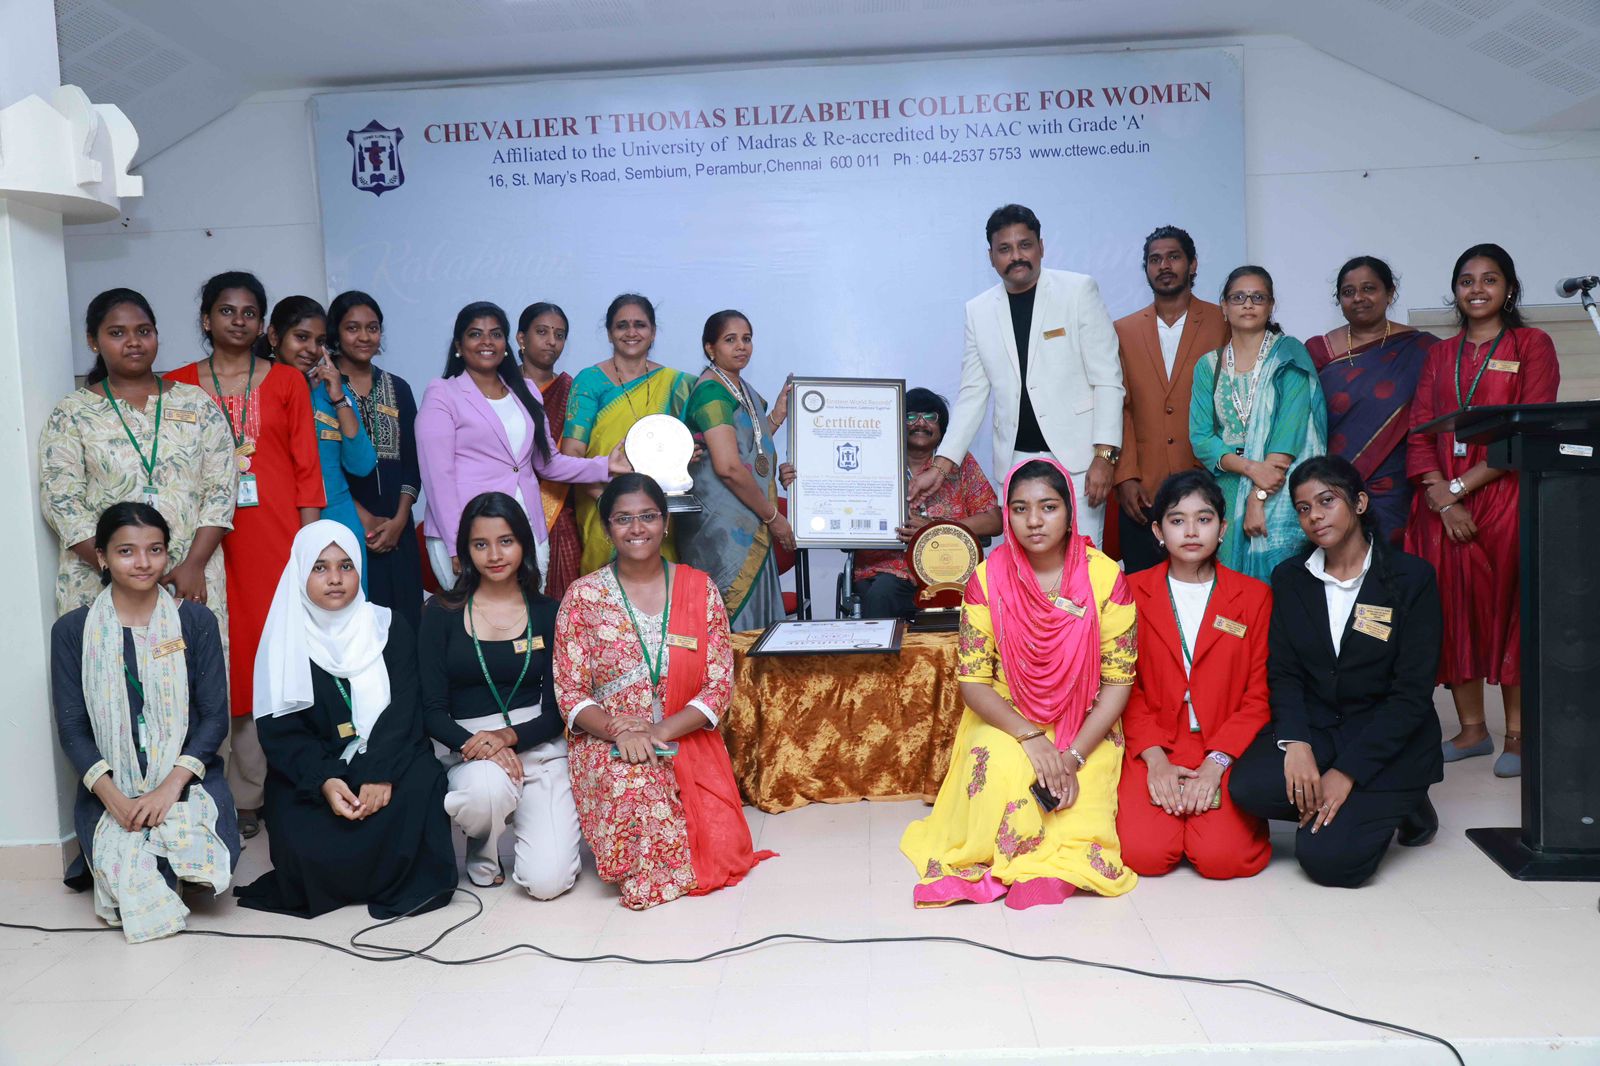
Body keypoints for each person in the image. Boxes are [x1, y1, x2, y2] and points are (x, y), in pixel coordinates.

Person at [899, 458, 1138, 909]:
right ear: (1006, 515)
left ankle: (1052, 865)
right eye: (1020, 509)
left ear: (1069, 511)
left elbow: (1118, 681)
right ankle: (999, 859)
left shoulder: (1105, 576)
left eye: (1048, 507)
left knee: (1078, 790)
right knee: (1001, 764)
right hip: (1007, 716)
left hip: (1086, 720)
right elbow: (974, 682)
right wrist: (1030, 737)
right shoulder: (987, 579)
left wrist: (1071, 755)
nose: (1033, 521)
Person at [554, 473, 774, 909]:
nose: (637, 529)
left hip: (681, 733)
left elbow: (717, 687)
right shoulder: (582, 597)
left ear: (666, 522)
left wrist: (658, 731)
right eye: (623, 519)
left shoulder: (699, 589)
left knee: (718, 842)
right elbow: (570, 691)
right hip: (609, 739)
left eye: (648, 516)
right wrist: (622, 734)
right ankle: (648, 872)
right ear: (606, 527)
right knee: (635, 783)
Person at [1229, 457, 1443, 887]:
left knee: (1328, 862)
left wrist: (1346, 774)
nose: (1315, 516)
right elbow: (1285, 672)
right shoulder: (1291, 578)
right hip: (1323, 729)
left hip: (1388, 739)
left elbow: (1411, 694)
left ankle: (1405, 800)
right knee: (1249, 786)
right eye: (1304, 508)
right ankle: (1355, 804)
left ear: (1360, 502)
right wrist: (1297, 744)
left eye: (1327, 501)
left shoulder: (1410, 578)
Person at [168, 271, 325, 839]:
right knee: (215, 654)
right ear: (206, 318)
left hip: (274, 538)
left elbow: (307, 468)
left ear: (263, 323)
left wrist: (309, 551)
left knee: (267, 656)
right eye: (227, 311)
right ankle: (216, 785)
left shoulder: (286, 381)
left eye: (250, 312)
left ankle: (262, 788)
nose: (239, 321)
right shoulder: (178, 384)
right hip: (204, 543)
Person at [235, 521, 455, 919]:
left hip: (390, 756)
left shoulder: (390, 626)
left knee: (422, 787)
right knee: (301, 841)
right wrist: (327, 780)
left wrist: (379, 774)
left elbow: (405, 708)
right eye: (320, 568)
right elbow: (281, 734)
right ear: (300, 573)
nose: (335, 579)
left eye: (346, 566)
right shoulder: (283, 641)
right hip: (318, 770)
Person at [50, 503, 239, 942]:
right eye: (126, 551)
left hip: (186, 778)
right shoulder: (73, 632)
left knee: (199, 861)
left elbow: (214, 718)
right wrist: (113, 797)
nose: (143, 563)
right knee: (136, 869)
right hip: (109, 785)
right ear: (102, 557)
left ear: (167, 554)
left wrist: (169, 787)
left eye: (155, 550)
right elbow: (73, 728)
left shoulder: (194, 621)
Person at [1405, 244, 1560, 778]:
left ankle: (1516, 736)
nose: (1477, 289)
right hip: (1439, 509)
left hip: (1506, 498)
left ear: (1509, 288)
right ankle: (1472, 730)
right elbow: (1420, 428)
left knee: (1513, 610)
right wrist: (1438, 494)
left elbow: (1528, 428)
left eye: (1489, 279)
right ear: (1455, 291)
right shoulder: (1439, 356)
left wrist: (1458, 488)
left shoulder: (1532, 344)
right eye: (1466, 280)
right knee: (1452, 613)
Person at [909, 204, 1123, 546]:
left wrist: (1104, 456)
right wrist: (940, 466)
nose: (1016, 256)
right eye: (1005, 249)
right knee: (1023, 569)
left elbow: (1109, 379)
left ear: (1041, 246)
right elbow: (972, 396)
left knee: (1080, 564)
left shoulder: (1078, 290)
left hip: (1079, 459)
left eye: (1024, 245)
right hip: (1014, 461)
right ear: (991, 256)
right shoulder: (978, 311)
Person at [40, 289, 235, 625]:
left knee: (192, 671)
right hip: (102, 584)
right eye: (117, 333)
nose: (133, 342)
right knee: (114, 674)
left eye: (144, 331)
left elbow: (221, 489)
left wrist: (193, 564)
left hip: (187, 578)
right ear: (93, 341)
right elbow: (63, 502)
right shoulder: (72, 413)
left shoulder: (196, 403)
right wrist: (118, 569)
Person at [419, 492, 580, 897]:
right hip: (467, 747)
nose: (494, 554)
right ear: (465, 551)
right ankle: (483, 846)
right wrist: (483, 746)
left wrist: (509, 738)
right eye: (480, 544)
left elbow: (561, 707)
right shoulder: (441, 613)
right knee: (484, 791)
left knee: (549, 882)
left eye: (505, 541)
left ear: (524, 543)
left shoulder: (550, 612)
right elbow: (432, 710)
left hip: (539, 744)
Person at [1116, 471, 1271, 879]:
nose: (1190, 531)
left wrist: (1217, 763)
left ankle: (1202, 821)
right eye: (1176, 519)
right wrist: (1155, 760)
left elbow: (1259, 696)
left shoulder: (1254, 597)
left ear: (1222, 528)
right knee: (1143, 855)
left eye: (1203, 519)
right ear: (1157, 530)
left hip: (1224, 739)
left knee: (1224, 860)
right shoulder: (1129, 593)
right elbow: (1121, 688)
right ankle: (1173, 818)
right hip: (1154, 738)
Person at [417, 301, 627, 592]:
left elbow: (547, 463)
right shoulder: (443, 394)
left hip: (526, 525)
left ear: (506, 342)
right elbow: (437, 477)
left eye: (495, 334)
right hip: (471, 529)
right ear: (458, 344)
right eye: (476, 334)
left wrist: (604, 465)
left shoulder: (525, 391)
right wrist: (456, 544)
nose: (487, 342)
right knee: (475, 622)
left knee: (526, 618)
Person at [782, 387, 1001, 618]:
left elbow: (995, 520)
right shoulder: (871, 462)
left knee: (981, 591)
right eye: (910, 416)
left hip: (948, 570)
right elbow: (829, 493)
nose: (920, 423)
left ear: (943, 427)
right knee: (882, 593)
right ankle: (882, 656)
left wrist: (936, 528)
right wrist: (799, 482)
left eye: (930, 417)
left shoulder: (958, 464)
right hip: (886, 571)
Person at [1190, 266, 1328, 581]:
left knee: (1280, 578)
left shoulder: (1288, 357)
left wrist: (1259, 496)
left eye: (1257, 297)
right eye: (1238, 297)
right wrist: (1250, 469)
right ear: (1224, 307)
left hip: (1281, 485)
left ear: (1270, 306)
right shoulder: (1207, 366)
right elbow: (1201, 438)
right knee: (1229, 582)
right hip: (1227, 485)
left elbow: (1288, 432)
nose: (1248, 304)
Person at [1113, 225, 1230, 572]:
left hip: (1209, 481)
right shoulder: (1123, 330)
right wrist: (1125, 477)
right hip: (1142, 492)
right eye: (1155, 259)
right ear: (1146, 269)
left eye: (1174, 257)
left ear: (1193, 265)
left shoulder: (1223, 321)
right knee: (1142, 592)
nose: (1164, 265)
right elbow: (1120, 409)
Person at [1306, 257, 1437, 547]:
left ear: (1389, 293)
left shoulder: (1424, 348)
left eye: (1369, 288)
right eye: (1348, 291)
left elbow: (1438, 420)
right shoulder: (1318, 351)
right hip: (1332, 483)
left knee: (1392, 567)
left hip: (1397, 484)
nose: (1358, 298)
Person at [561, 294, 696, 574]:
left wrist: (689, 452)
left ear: (653, 331)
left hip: (657, 510)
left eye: (640, 325)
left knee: (659, 592)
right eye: (622, 326)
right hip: (601, 506)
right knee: (604, 601)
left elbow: (709, 435)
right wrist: (609, 507)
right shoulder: (589, 380)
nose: (631, 332)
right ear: (610, 333)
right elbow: (572, 455)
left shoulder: (678, 384)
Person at [677, 310, 794, 631]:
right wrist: (774, 518)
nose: (741, 346)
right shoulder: (711, 392)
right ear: (710, 348)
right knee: (731, 628)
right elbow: (728, 466)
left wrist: (778, 416)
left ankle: (757, 683)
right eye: (730, 340)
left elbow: (750, 444)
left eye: (747, 338)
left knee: (756, 628)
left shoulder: (738, 387)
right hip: (722, 530)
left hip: (747, 518)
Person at [333, 291, 425, 627]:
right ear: (336, 333)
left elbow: (413, 463)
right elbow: (323, 467)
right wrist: (364, 521)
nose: (364, 337)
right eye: (353, 328)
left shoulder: (398, 387)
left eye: (372, 328)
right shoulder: (322, 388)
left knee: (405, 624)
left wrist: (401, 520)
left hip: (397, 531)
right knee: (356, 623)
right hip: (345, 525)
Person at [268, 296, 377, 583]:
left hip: (338, 518)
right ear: (274, 336)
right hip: (282, 517)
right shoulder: (262, 390)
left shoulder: (330, 392)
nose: (311, 350)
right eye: (301, 337)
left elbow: (362, 464)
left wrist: (339, 397)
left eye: (319, 341)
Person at [517, 301, 583, 602]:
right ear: (521, 338)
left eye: (559, 334)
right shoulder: (500, 387)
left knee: (562, 604)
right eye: (542, 332)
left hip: (559, 510)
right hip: (505, 508)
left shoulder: (573, 390)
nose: (551, 341)